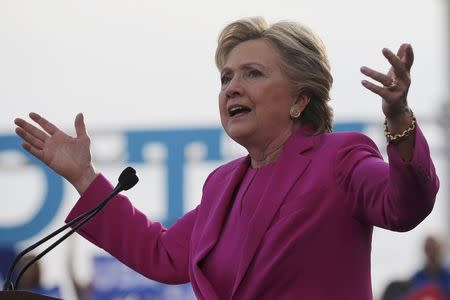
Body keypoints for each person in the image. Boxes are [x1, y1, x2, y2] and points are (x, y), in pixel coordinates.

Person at [13, 16, 439, 299]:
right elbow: (161, 254)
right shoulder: (222, 186)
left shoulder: (339, 158)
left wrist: (398, 117)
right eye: (226, 77)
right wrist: (85, 179)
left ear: (299, 98)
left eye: (253, 73)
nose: (232, 87)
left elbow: (406, 205)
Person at [408, 234, 450, 299]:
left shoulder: (447, 275)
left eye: (434, 248)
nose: (431, 252)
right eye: (428, 248)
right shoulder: (416, 278)